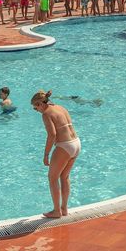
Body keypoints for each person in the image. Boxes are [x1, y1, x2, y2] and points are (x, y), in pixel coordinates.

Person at [32, 89, 79, 218]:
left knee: (52, 178)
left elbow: (52, 135)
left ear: (40, 104)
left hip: (65, 145)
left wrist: (46, 154)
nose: (37, 111)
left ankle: (57, 211)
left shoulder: (46, 113)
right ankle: (64, 209)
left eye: (35, 109)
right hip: (76, 143)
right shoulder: (61, 107)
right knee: (64, 177)